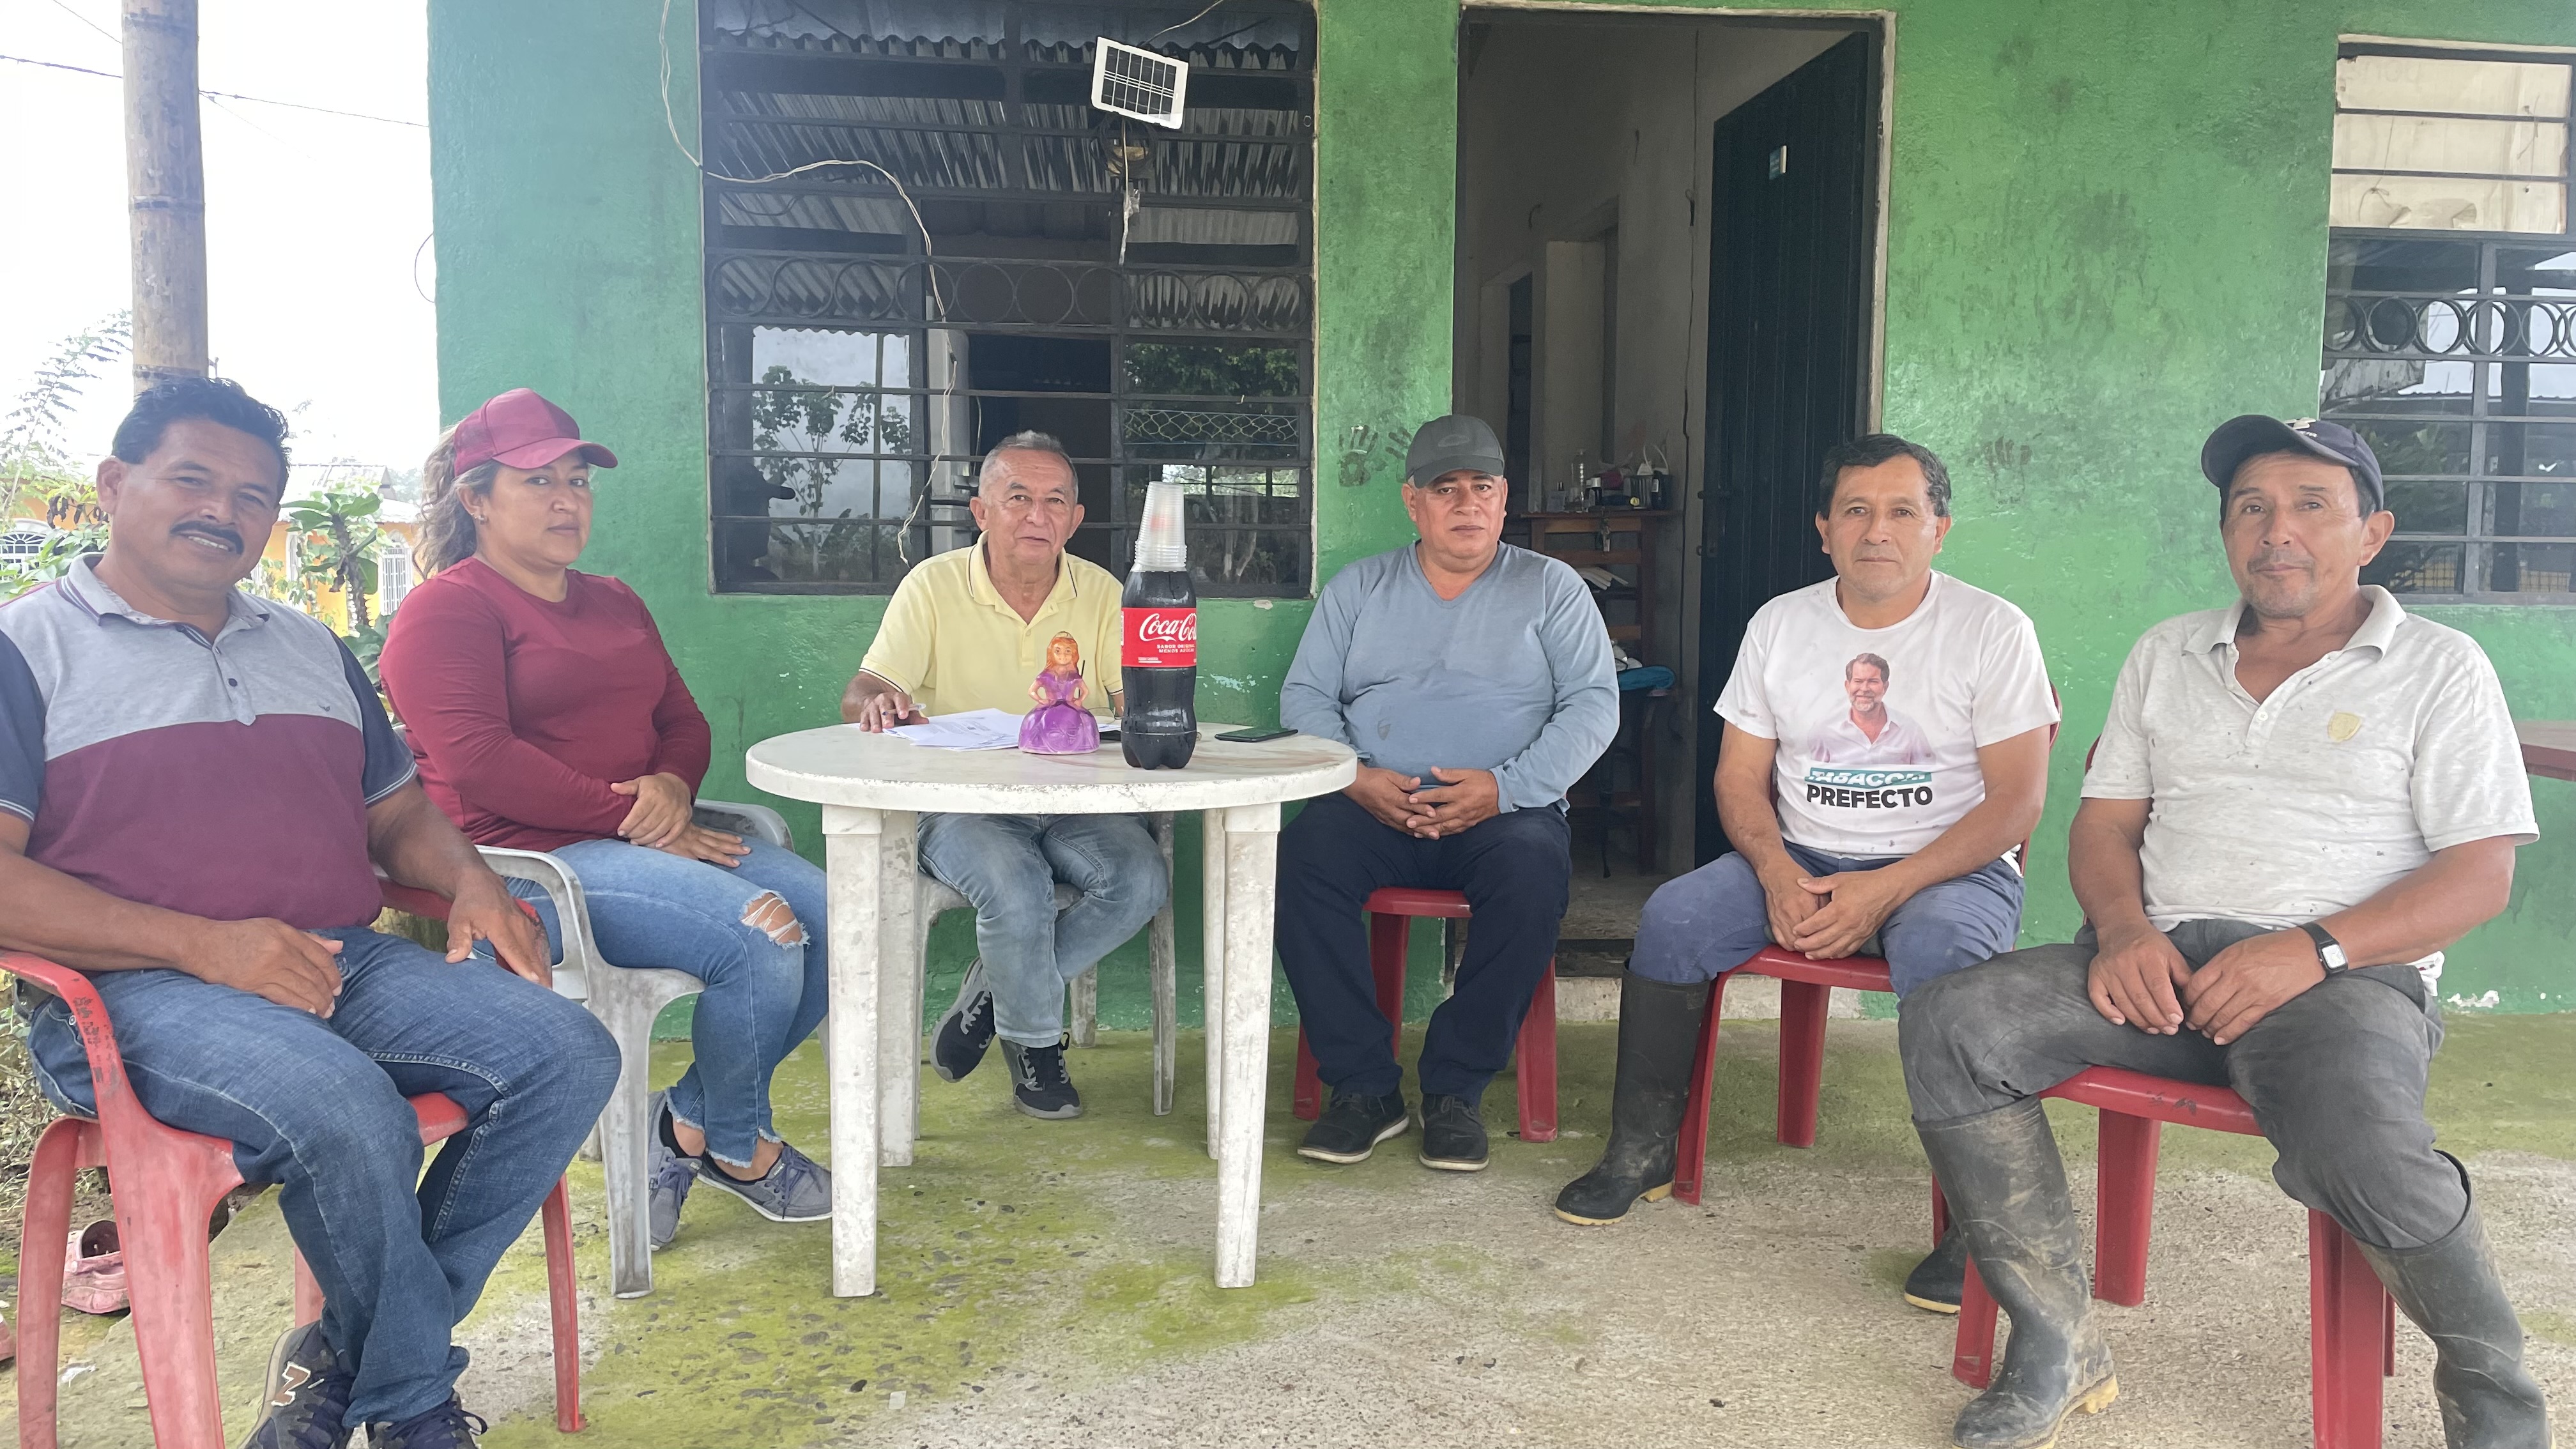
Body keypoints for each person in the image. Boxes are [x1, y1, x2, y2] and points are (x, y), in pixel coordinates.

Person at [1899, 417, 2547, 1449]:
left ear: (2371, 534)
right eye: (2251, 508)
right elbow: (2104, 826)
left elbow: (2479, 874)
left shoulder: (2438, 666)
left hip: (2342, 982)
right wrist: (2120, 930)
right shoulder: (2166, 652)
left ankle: (2496, 1400)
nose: (2276, 530)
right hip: (2155, 970)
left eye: (2310, 506)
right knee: (1952, 1021)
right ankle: (2057, 1341)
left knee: (2363, 1144)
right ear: (2226, 533)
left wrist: (2312, 948)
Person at [0, 378, 618, 1449]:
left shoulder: (306, 644)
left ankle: (344, 1357)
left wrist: (470, 881)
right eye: (192, 479)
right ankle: (413, 1406)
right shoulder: (27, 651)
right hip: (131, 988)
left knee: (565, 1052)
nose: (222, 510)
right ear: (112, 484)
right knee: (343, 1104)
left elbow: (398, 813)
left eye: (253, 496)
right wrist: (208, 945)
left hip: (338, 959)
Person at [1554, 434, 2057, 1323]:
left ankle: (1975, 1222)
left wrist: (1887, 888)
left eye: (1902, 511)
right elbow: (1738, 779)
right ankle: (1641, 1152)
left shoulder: (1993, 629)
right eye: (1856, 510)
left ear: (1939, 529)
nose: (1877, 530)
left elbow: (2016, 803)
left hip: (1950, 869)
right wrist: (1778, 871)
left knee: (1946, 959)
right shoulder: (1781, 625)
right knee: (1674, 918)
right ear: (1824, 529)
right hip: (1805, 857)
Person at [379, 387, 832, 1250]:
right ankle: (742, 1149)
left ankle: (685, 1123)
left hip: (644, 842)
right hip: (529, 869)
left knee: (839, 919)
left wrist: (670, 785)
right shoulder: (447, 610)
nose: (567, 500)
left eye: (578, 481)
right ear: (476, 500)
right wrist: (637, 817)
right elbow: (482, 761)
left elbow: (683, 721)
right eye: (538, 481)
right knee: (762, 937)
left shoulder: (615, 599)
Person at [1275, 413, 1618, 1172]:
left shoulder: (1551, 588)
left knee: (1533, 874)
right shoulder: (1361, 587)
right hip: (1374, 804)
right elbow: (1305, 697)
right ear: (1413, 502)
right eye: (1446, 489)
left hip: (1505, 814)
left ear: (1503, 499)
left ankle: (1456, 1088)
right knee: (1299, 859)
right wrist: (1357, 777)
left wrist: (1506, 788)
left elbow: (1594, 706)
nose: (1467, 504)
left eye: (1482, 488)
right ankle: (1363, 1086)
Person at [841, 432, 1168, 1119]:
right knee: (1016, 889)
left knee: (1141, 881)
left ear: (1076, 519)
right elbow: (864, 689)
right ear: (981, 511)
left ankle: (994, 991)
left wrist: (1143, 699)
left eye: (1056, 502)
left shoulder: (1102, 592)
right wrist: (878, 703)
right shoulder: (933, 586)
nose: (1037, 517)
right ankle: (1036, 1046)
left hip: (1081, 799)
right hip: (963, 803)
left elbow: (1128, 702)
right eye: (1018, 498)